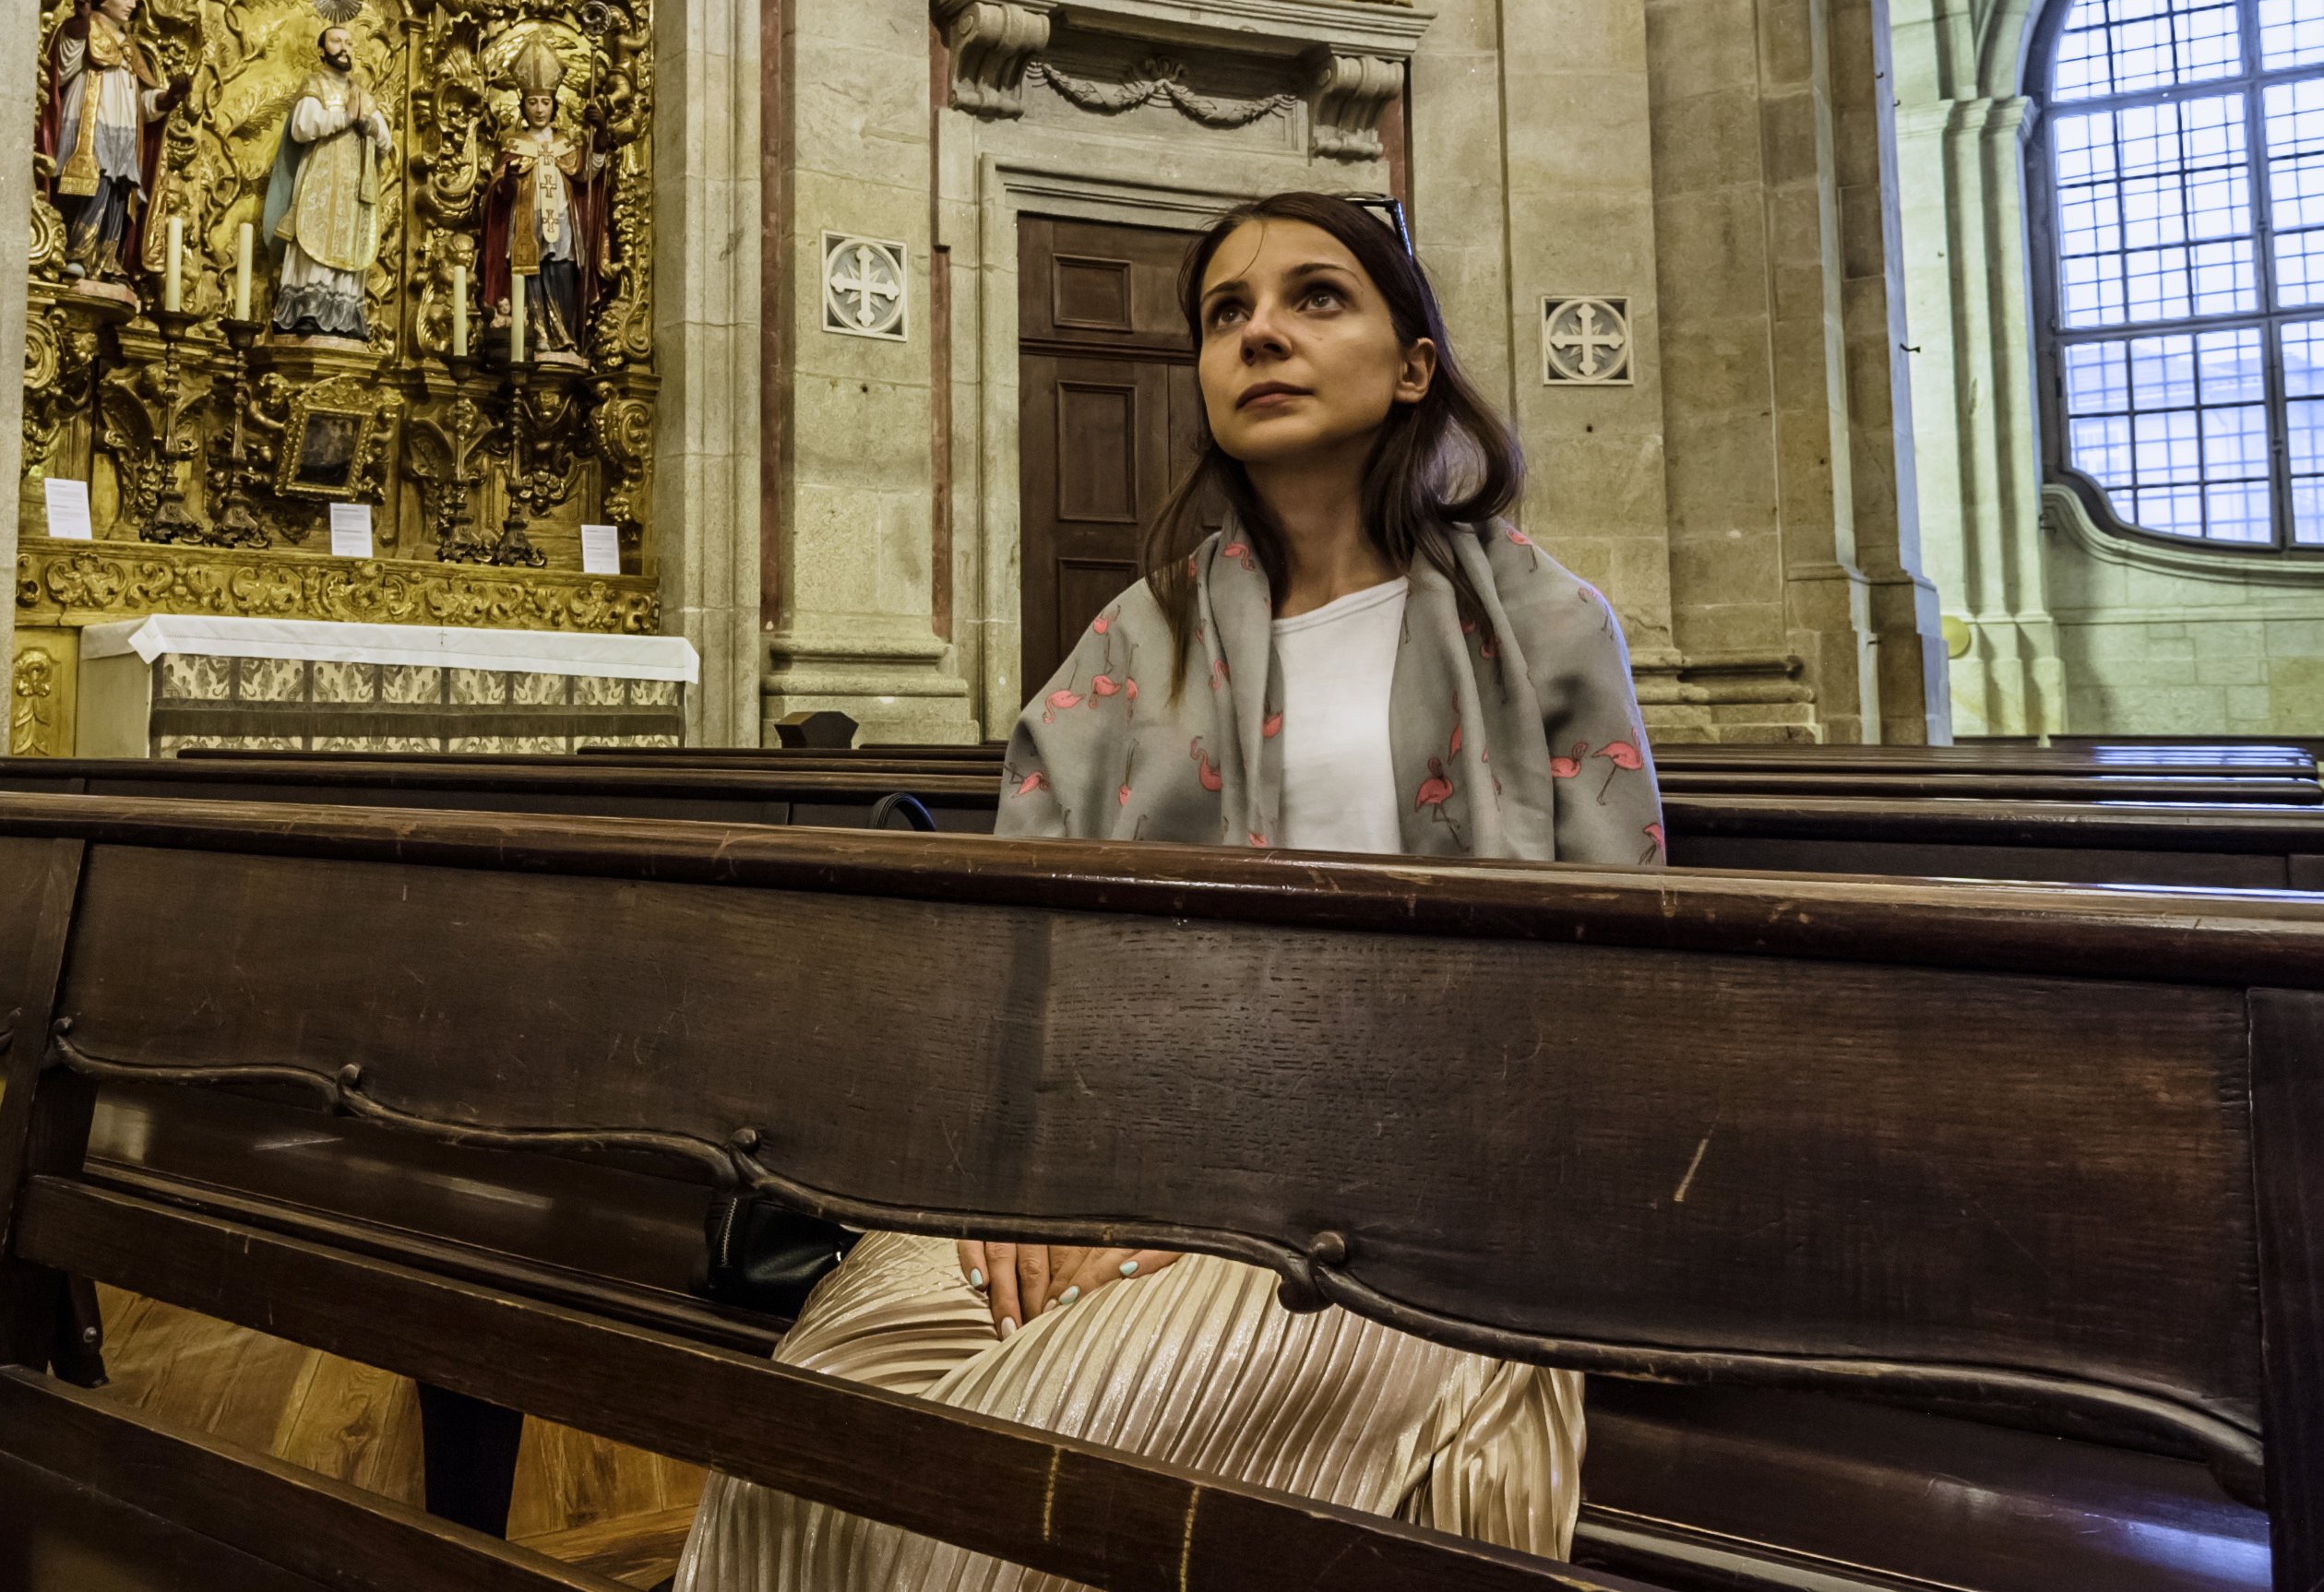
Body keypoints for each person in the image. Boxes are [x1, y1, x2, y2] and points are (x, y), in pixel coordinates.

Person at [675, 191, 1662, 1590]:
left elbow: (1611, 983)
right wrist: (1031, 1189)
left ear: (1412, 364)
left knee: (1008, 1471)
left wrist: (1231, 1197)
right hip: (1111, 1164)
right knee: (809, 1430)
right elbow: (1021, 948)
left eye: (1315, 297)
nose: (1259, 330)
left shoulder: (1544, 626)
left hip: (1400, 1213)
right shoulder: (1135, 636)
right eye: (1224, 313)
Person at [38, 0, 172, 284]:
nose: (132, 4)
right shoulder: (82, 29)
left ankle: (106, 259)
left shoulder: (130, 46)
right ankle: (76, 252)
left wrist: (167, 99)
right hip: (89, 125)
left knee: (117, 192)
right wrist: (81, 24)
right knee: (90, 186)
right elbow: (62, 70)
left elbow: (142, 104)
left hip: (124, 136)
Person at [476, 39, 606, 366]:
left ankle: (564, 336)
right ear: (523, 107)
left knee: (561, 271)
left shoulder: (566, 144)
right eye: (532, 102)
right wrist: (507, 180)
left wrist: (600, 133)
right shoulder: (513, 144)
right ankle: (537, 332)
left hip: (562, 225)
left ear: (553, 106)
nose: (538, 108)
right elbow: (497, 197)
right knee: (530, 275)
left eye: (544, 102)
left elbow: (589, 173)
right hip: (526, 227)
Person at [265, 21, 389, 341]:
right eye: (336, 41)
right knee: (315, 235)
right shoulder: (315, 85)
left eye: (349, 42)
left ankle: (345, 314)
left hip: (353, 188)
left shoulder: (361, 94)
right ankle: (308, 308)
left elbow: (386, 140)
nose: (345, 48)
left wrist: (368, 125)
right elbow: (302, 127)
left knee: (349, 242)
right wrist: (345, 118)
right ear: (322, 49)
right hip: (320, 180)